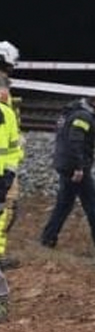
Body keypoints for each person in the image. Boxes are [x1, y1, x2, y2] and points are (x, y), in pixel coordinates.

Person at [39, 93, 95, 255]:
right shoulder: (83, 116)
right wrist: (79, 167)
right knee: (92, 203)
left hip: (66, 164)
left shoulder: (73, 112)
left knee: (64, 204)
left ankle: (48, 239)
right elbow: (75, 141)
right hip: (75, 167)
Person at [0, 70, 22, 270]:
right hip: (3, 175)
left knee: (5, 212)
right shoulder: (5, 113)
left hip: (4, 175)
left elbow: (13, 147)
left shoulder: (7, 112)